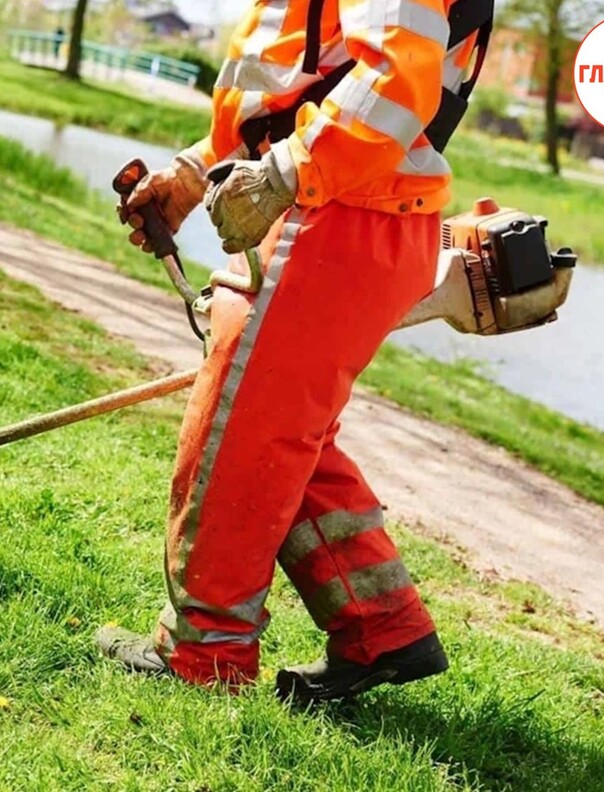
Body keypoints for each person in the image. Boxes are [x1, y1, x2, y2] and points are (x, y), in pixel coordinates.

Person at [97, 0, 483, 703]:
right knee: (274, 431)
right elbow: (299, 84)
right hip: (349, 207)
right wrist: (194, 174)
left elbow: (395, 80)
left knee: (239, 439)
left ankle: (204, 654)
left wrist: (285, 173)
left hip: (338, 212)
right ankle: (383, 624)